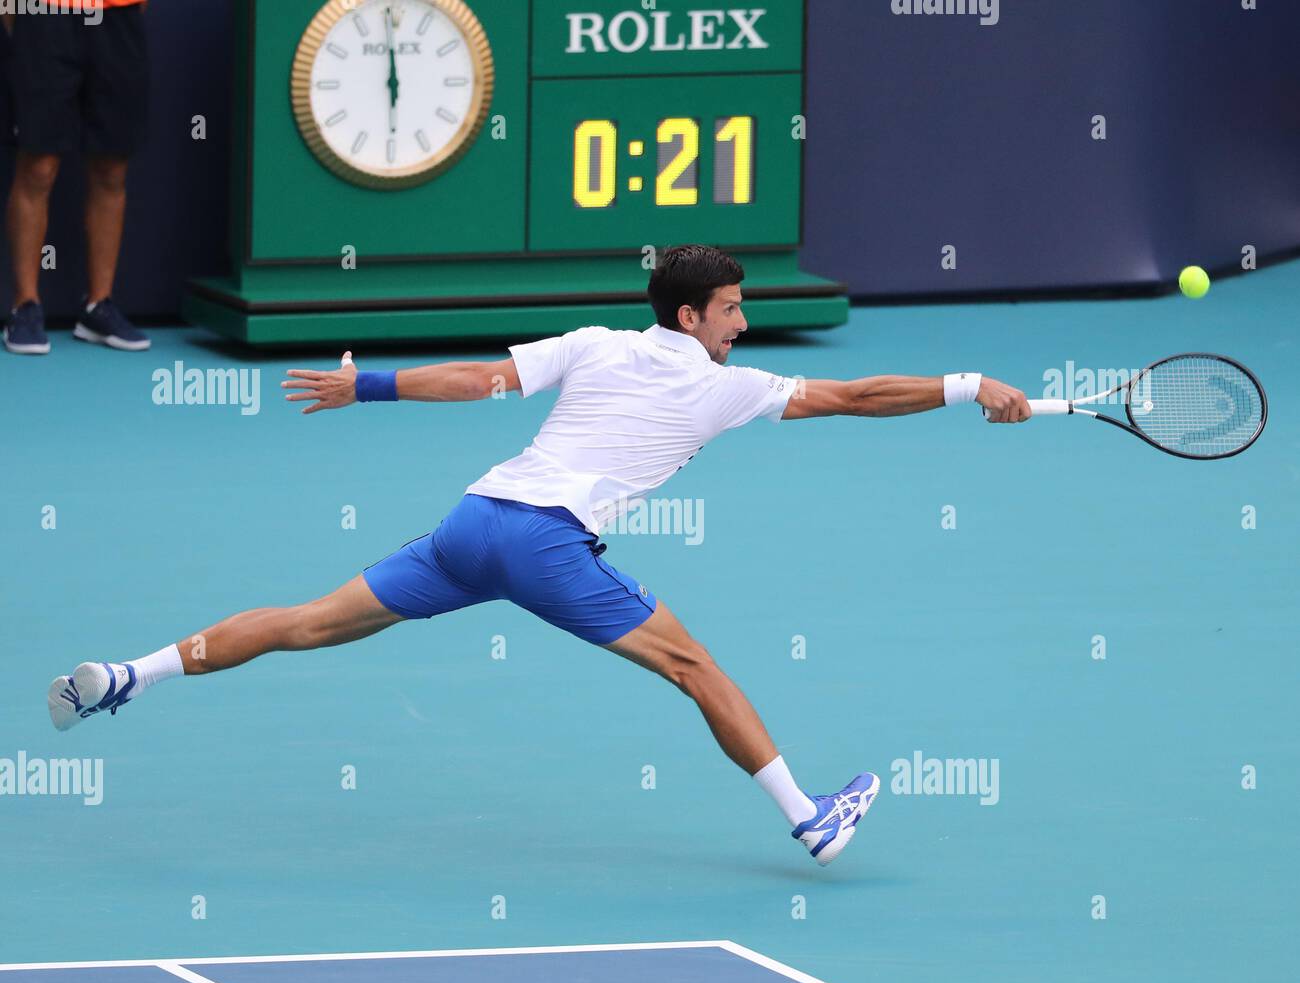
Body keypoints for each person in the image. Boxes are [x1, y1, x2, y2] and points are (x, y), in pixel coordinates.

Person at [46, 244, 1031, 866]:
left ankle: (131, 673)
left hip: (474, 519)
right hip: (545, 541)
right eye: (731, 307)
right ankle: (807, 815)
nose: (742, 319)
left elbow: (481, 378)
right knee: (694, 667)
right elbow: (857, 397)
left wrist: (371, 386)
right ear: (691, 316)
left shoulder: (596, 339)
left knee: (309, 621)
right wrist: (967, 379)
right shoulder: (728, 386)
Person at [2, 0, 151, 355]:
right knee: (38, 165)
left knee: (111, 166)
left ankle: (97, 307)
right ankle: (24, 306)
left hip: (119, 15)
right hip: (42, 13)